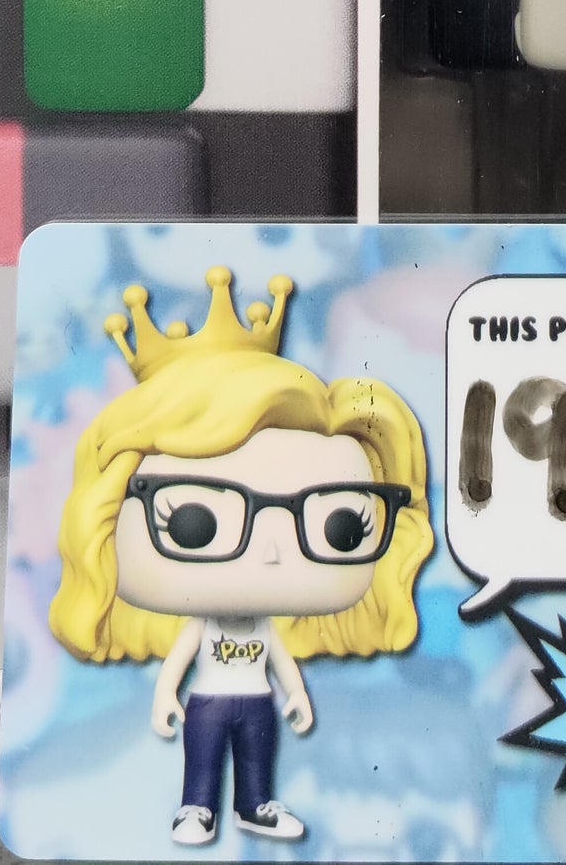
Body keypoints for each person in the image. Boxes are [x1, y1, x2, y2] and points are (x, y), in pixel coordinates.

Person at [49, 268, 433, 846]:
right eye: (193, 523)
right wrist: (164, 696)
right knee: (202, 759)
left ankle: (255, 806)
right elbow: (180, 660)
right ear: (102, 516)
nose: (273, 551)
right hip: (207, 700)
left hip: (257, 700)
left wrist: (297, 694)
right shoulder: (196, 626)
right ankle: (196, 809)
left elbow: (281, 660)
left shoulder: (269, 628)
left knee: (258, 756)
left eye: (340, 527)